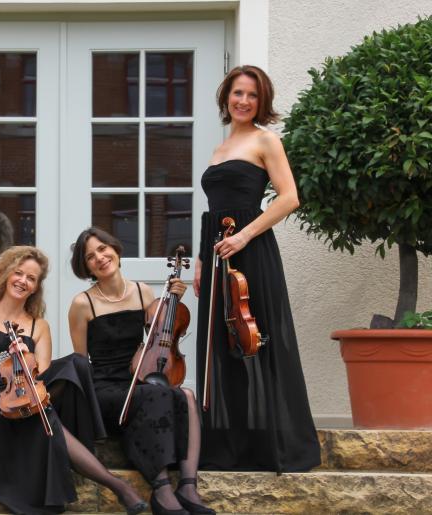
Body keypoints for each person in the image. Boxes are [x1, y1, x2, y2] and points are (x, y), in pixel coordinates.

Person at [0, 246, 147, 515]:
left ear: (36, 287)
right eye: (19, 273)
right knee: (40, 414)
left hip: (22, 393)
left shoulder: (38, 326)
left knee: (76, 364)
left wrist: (25, 357)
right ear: (5, 274)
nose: (23, 281)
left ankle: (105, 466)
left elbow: (42, 381)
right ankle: (116, 485)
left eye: (31, 278)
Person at [193, 65, 320, 472]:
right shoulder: (222, 146)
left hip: (251, 251)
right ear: (226, 96)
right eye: (238, 93)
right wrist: (201, 259)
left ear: (261, 101)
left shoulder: (266, 140)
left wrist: (244, 237)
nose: (244, 101)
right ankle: (231, 445)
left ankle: (277, 446)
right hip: (218, 253)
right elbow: (213, 213)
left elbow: (289, 198)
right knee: (222, 343)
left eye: (252, 95)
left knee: (259, 339)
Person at [69, 227, 214, 515]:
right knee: (153, 396)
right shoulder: (82, 304)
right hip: (105, 387)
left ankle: (188, 485)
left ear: (115, 249)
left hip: (138, 376)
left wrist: (172, 301)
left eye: (102, 249)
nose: (100, 258)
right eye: (90, 257)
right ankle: (161, 490)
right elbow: (80, 362)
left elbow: (160, 336)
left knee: (185, 395)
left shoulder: (143, 291)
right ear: (86, 268)